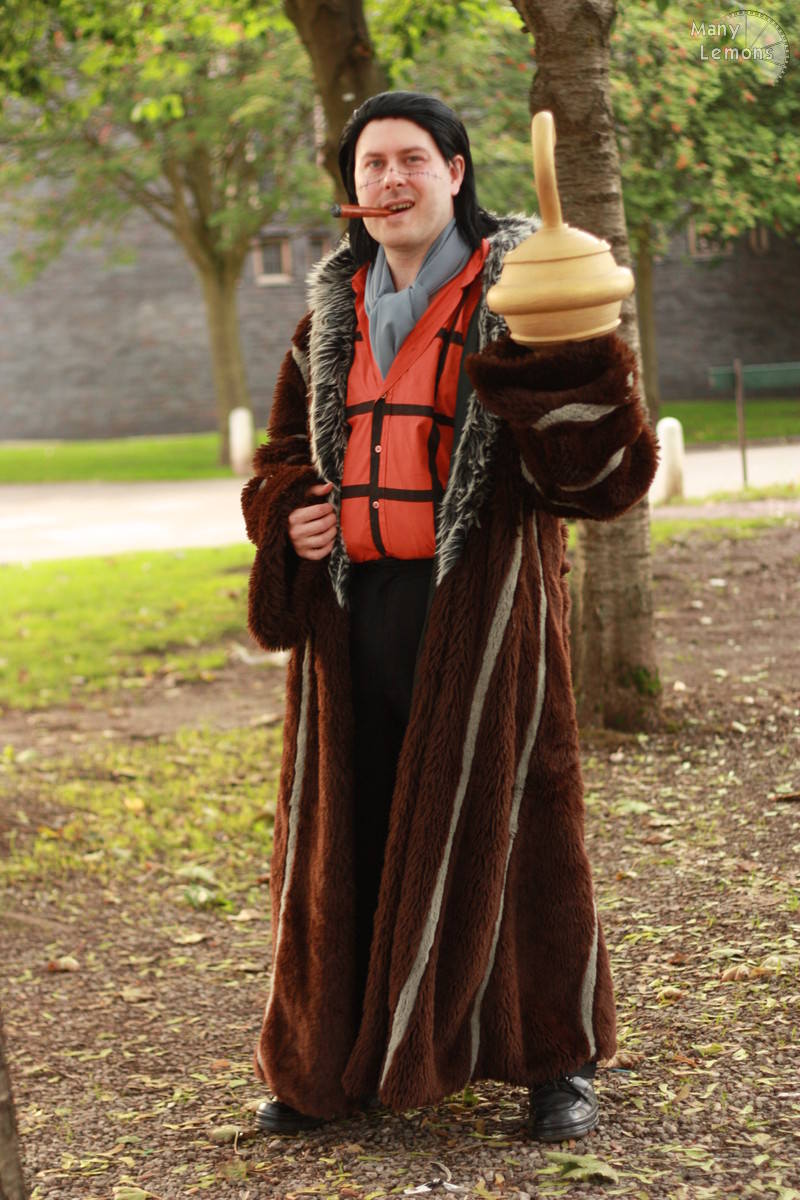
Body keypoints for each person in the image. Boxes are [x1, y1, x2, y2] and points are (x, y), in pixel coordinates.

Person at [242, 91, 657, 1142]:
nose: (390, 180)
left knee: (520, 836)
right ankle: (325, 1067)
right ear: (352, 190)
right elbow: (280, 459)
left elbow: (598, 482)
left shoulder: (523, 297)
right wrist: (289, 514)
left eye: (411, 160)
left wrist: (569, 360)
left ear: (456, 172)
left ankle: (555, 1060)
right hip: (352, 621)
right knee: (348, 837)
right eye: (371, 165)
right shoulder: (323, 323)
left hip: (483, 613)